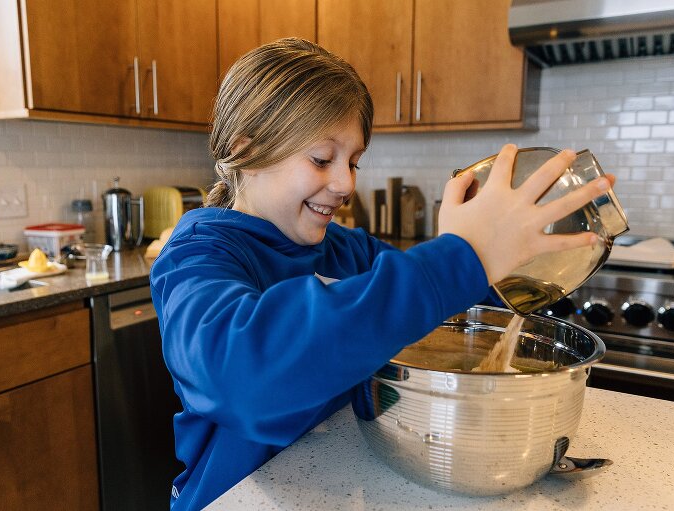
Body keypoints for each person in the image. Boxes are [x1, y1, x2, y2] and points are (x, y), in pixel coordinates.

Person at [150, 38, 613, 510]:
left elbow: (438, 312)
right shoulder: (197, 258)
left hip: (337, 481)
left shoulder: (349, 251)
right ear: (244, 148)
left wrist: (512, 258)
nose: (346, 183)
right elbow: (243, 379)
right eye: (321, 159)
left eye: (353, 161)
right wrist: (461, 256)